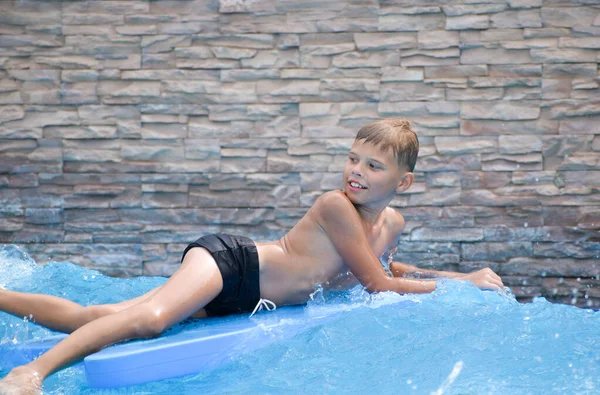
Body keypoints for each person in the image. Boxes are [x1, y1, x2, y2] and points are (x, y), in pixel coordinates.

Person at [0, 119, 503, 393]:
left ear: (403, 182)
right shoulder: (336, 207)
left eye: (374, 165)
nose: (356, 171)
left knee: (103, 316)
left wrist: (463, 273)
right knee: (149, 320)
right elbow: (378, 284)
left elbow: (391, 269)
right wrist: (455, 288)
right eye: (353, 158)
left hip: (245, 299)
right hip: (231, 264)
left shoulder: (390, 223)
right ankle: (30, 374)